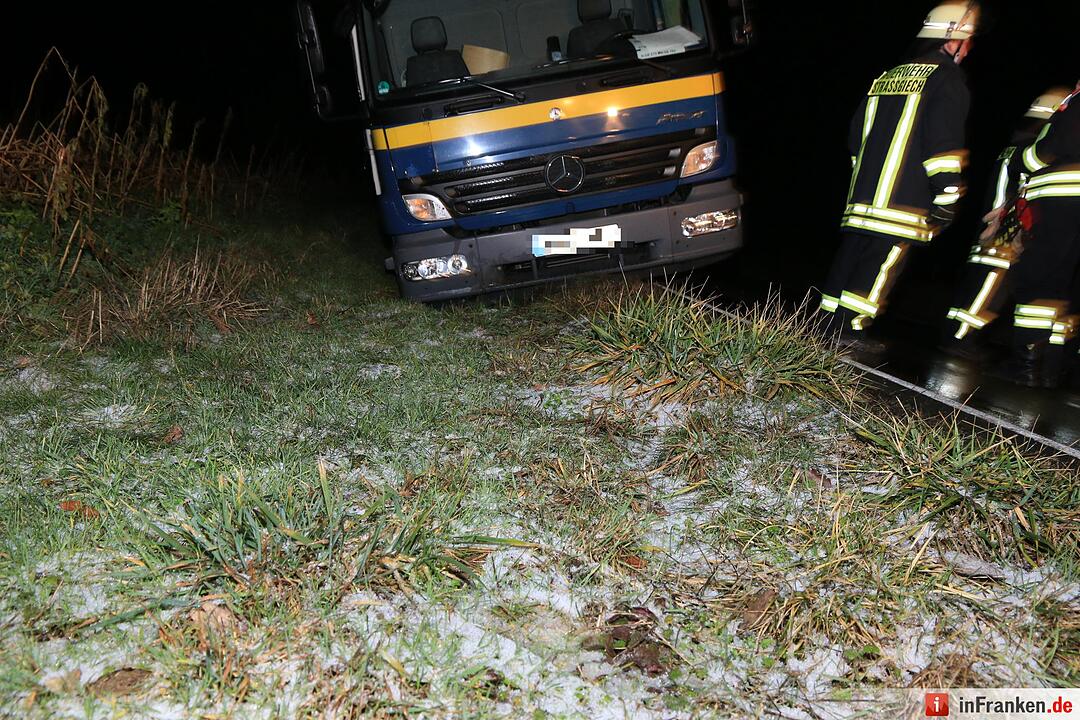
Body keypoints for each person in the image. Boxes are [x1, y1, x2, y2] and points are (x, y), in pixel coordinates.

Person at [819, 2, 978, 344]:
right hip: (903, 203)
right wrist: (947, 196)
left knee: (849, 261)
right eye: (967, 41)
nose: (968, 50)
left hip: (863, 198)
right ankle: (850, 333)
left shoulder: (888, 76)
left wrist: (864, 183)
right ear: (952, 40)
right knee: (880, 267)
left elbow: (855, 136)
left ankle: (825, 326)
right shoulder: (947, 79)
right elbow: (943, 145)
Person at [945, 87, 1074, 346]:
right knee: (988, 291)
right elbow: (1022, 192)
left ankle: (956, 336)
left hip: (994, 228)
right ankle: (959, 339)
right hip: (1005, 232)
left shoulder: (1016, 145)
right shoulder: (1031, 151)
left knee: (978, 288)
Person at [995, 81, 1080, 387]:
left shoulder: (1076, 105)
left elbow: (1051, 148)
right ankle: (1054, 365)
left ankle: (1027, 364)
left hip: (1062, 199)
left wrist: (1022, 158)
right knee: (1065, 287)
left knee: (1039, 280)